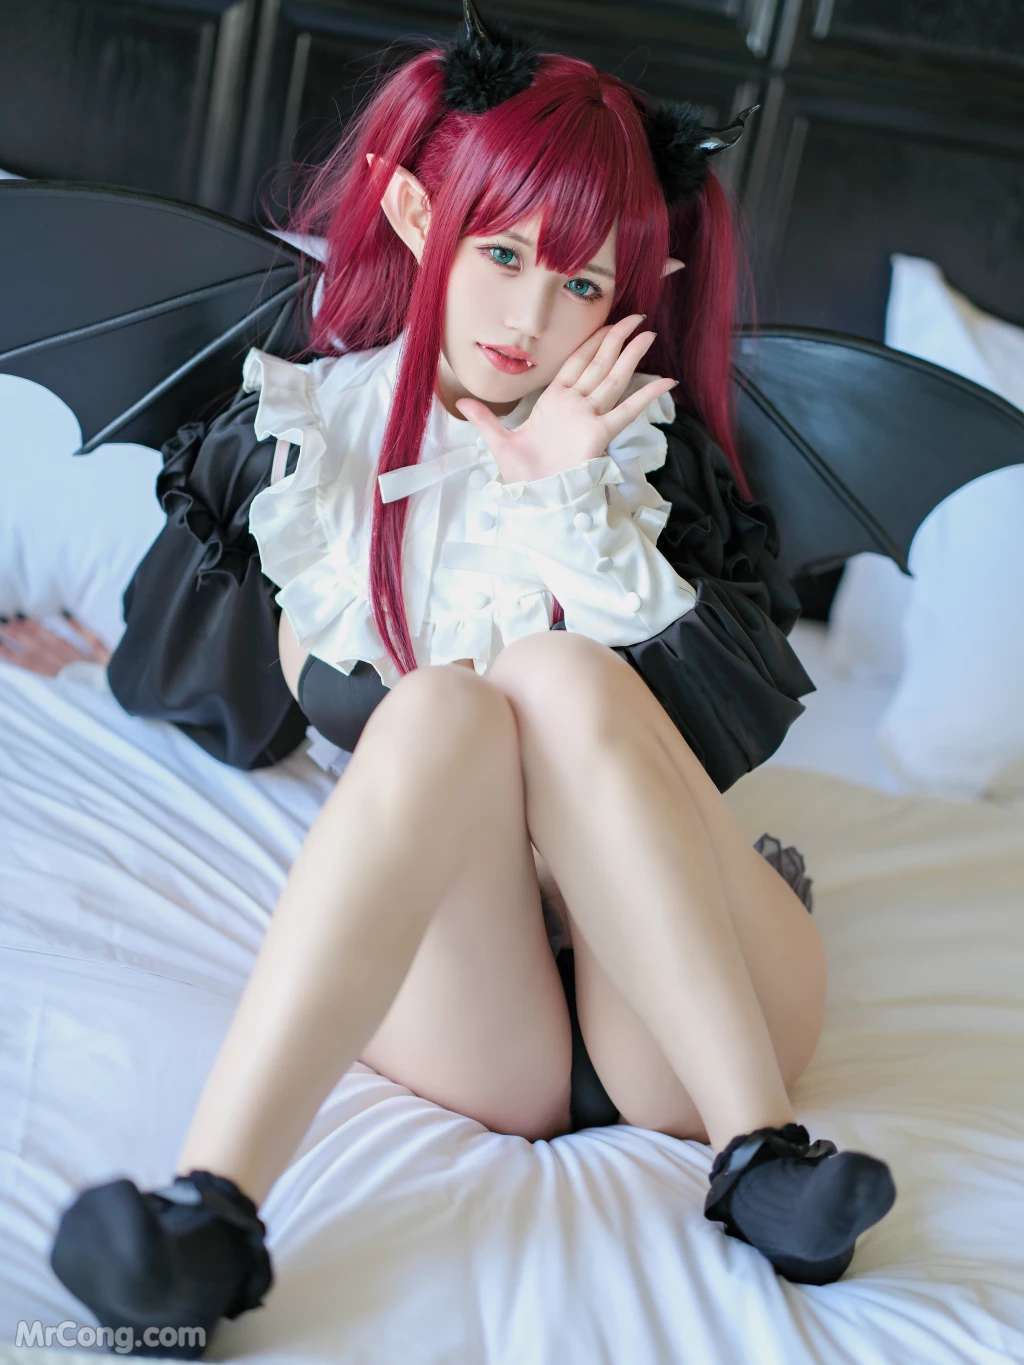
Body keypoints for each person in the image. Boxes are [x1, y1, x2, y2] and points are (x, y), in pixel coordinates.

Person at [34, 5, 896, 1356]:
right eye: (502, 253)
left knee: (555, 672)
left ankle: (765, 1161)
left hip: (694, 999)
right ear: (416, 213)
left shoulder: (657, 466)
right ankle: (209, 1217)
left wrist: (566, 498)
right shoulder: (303, 445)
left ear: (634, 295)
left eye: (584, 285)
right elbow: (221, 696)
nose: (531, 317)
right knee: (438, 705)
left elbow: (711, 740)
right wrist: (94, 648)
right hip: (485, 1016)